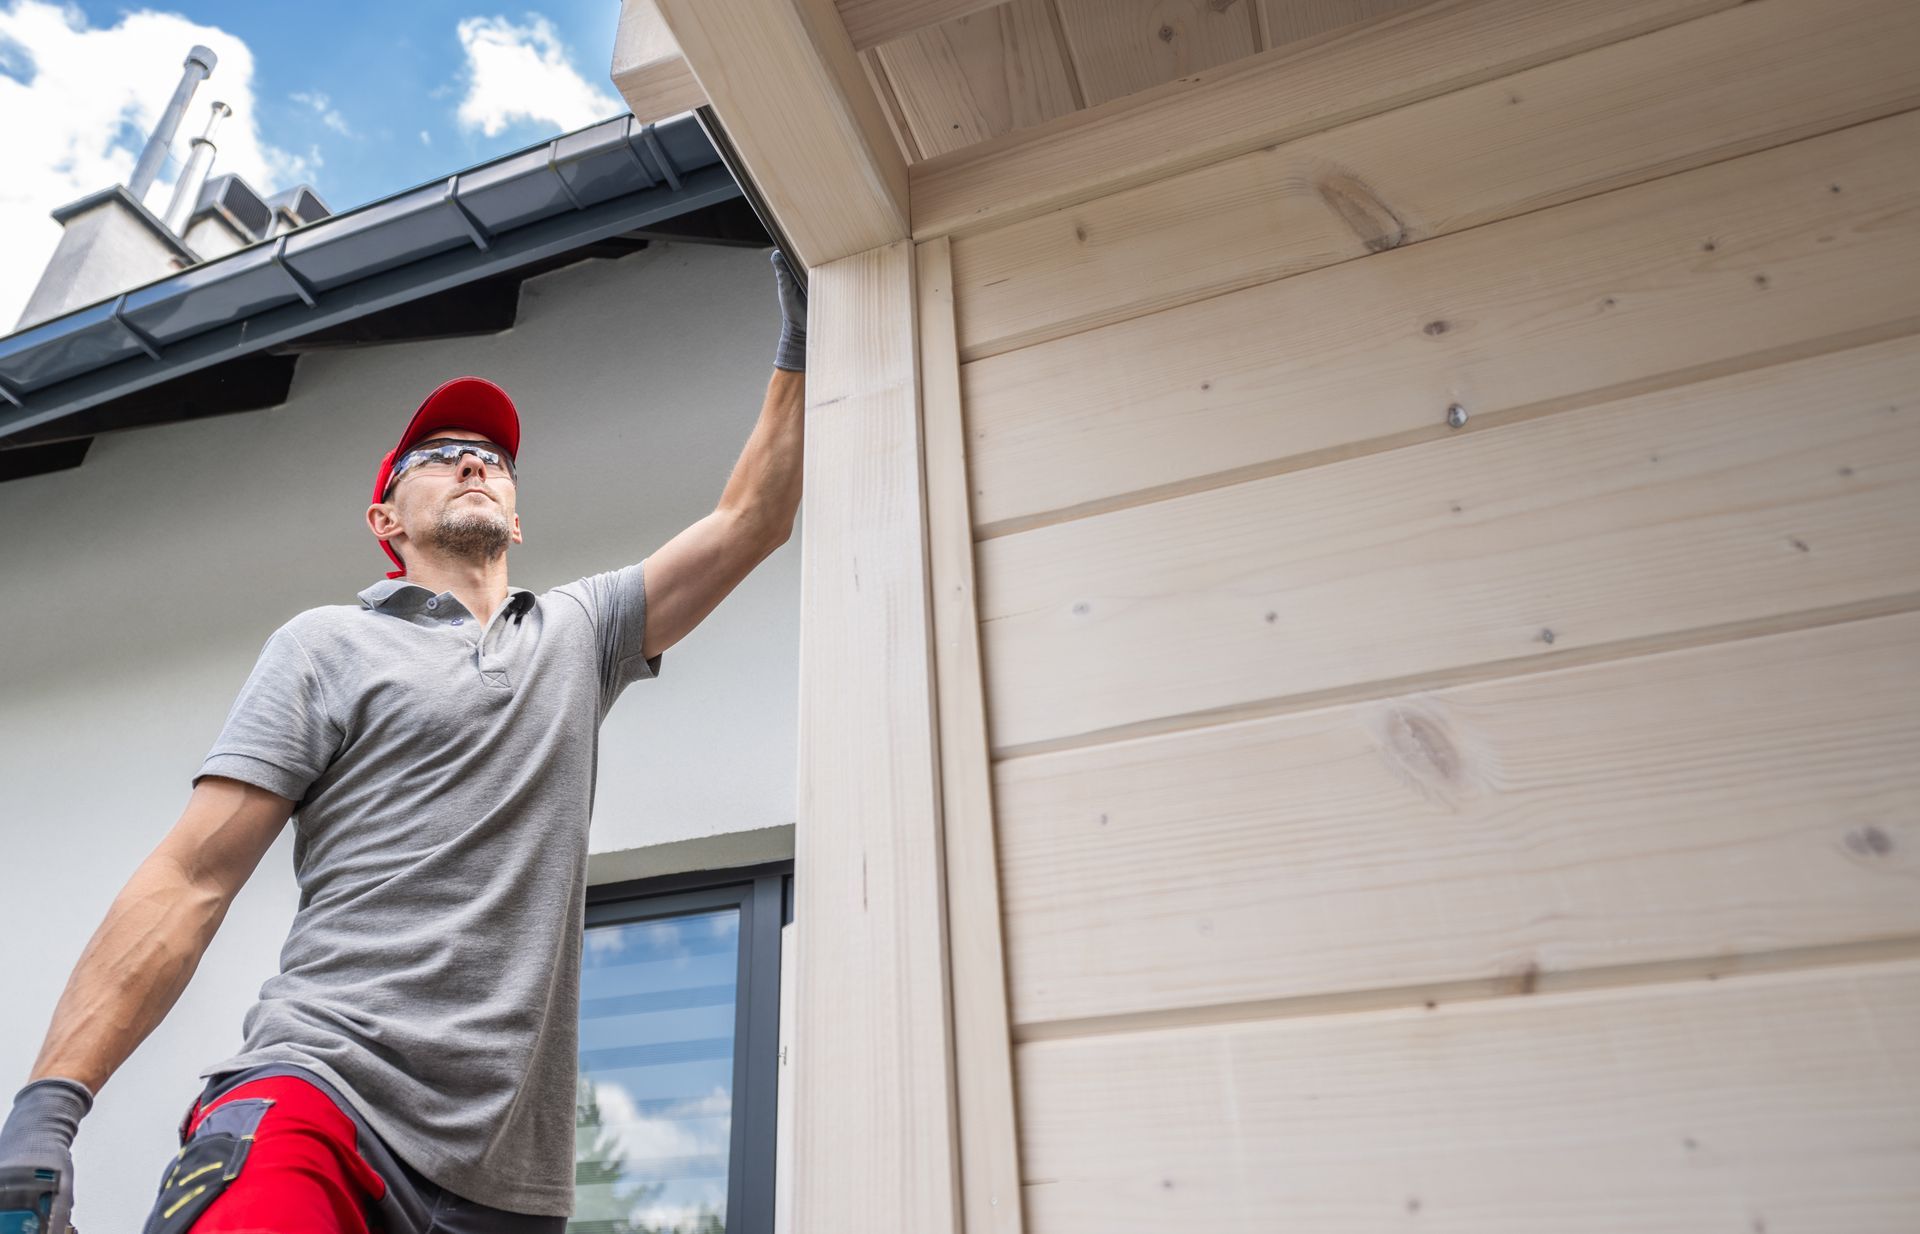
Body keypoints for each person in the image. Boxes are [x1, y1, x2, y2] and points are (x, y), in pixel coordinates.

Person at [0, 251, 811, 1234]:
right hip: (320, 1095)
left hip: (508, 1190)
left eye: (494, 458)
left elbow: (751, 518)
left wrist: (804, 325)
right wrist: (48, 1107)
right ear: (385, 518)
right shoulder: (327, 644)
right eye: (440, 454)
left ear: (516, 512)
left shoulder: (577, 634)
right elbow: (193, 875)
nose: (475, 459)